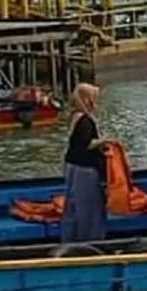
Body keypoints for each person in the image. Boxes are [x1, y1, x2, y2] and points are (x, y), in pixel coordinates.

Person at [63, 83, 109, 242]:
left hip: (73, 166)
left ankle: (71, 239)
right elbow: (86, 143)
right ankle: (89, 241)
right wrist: (105, 141)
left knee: (73, 208)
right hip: (84, 169)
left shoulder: (75, 116)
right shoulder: (85, 120)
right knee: (88, 210)